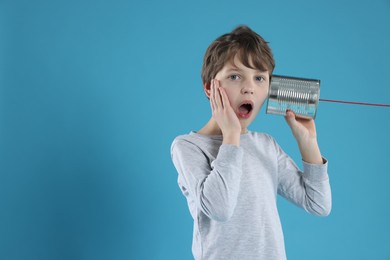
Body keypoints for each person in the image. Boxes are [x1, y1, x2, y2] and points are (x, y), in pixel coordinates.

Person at [170, 25, 332, 260]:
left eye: (259, 78)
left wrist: (308, 144)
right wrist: (232, 136)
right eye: (234, 76)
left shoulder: (266, 145)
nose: (248, 88)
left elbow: (318, 204)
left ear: (268, 88)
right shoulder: (187, 146)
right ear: (209, 88)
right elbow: (220, 208)